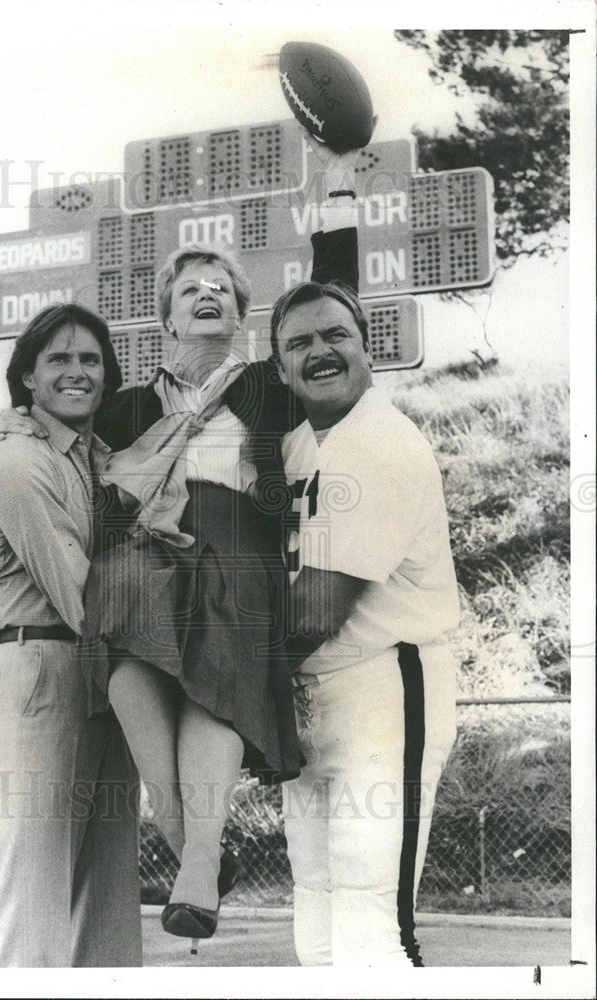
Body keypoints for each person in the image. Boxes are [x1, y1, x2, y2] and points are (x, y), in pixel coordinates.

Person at [0, 143, 361, 947]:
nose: (205, 296)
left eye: (221, 291)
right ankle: (183, 830)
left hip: (235, 554)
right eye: (190, 289)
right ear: (163, 319)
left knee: (214, 673)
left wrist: (334, 201)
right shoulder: (124, 409)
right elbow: (56, 430)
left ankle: (198, 860)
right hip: (147, 562)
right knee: (118, 632)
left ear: (241, 317)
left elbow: (336, 309)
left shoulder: (266, 386)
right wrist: (13, 419)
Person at [270, 273, 460, 967]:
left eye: (335, 335)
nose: (319, 352)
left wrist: (234, 689)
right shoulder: (295, 450)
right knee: (315, 908)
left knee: (370, 916)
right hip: (306, 689)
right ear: (280, 366)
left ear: (367, 347)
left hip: (383, 681)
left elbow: (318, 603)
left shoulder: (377, 437)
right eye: (299, 343)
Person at [0, 303, 142, 967]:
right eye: (59, 360)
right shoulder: (16, 461)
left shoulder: (102, 460)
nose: (77, 372)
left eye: (90, 359)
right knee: (37, 902)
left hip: (106, 673)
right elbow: (81, 592)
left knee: (107, 908)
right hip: (39, 664)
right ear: (29, 379)